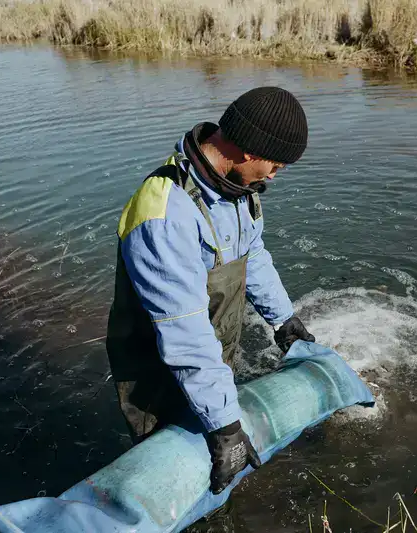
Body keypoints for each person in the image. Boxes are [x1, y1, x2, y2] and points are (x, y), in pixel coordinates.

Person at [105, 86, 316, 495]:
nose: (276, 175)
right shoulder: (166, 215)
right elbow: (184, 335)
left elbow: (252, 254)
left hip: (208, 360)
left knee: (217, 474)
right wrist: (225, 427)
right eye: (276, 163)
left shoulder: (237, 192)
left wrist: (283, 319)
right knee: (172, 484)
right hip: (161, 373)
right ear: (250, 151)